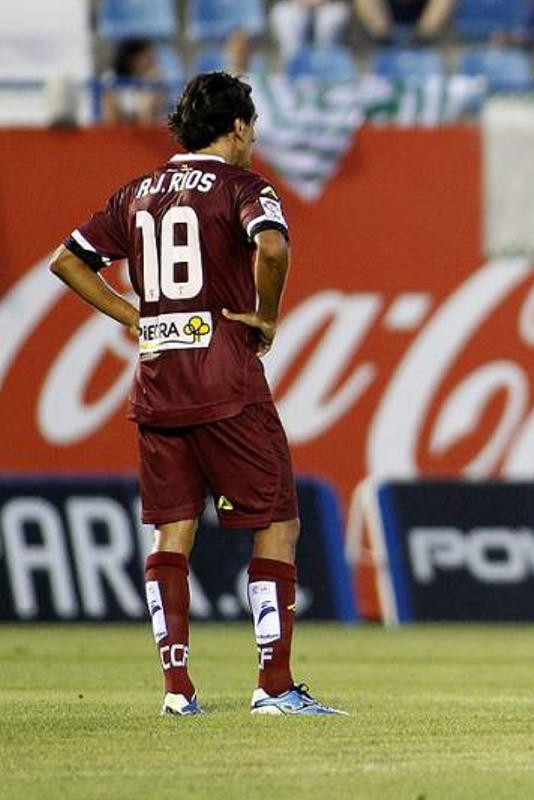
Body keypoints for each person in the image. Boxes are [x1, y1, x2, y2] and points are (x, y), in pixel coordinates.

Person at [47, 72, 344, 717]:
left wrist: (132, 316)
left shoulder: (136, 193)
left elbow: (67, 261)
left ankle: (177, 693)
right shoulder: (242, 186)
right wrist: (267, 316)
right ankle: (274, 686)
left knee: (170, 532)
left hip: (157, 380)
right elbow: (270, 246)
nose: (253, 139)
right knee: (277, 523)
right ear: (237, 127)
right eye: (252, 127)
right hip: (225, 379)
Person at [100, 39, 169, 126]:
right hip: (121, 129)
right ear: (132, 59)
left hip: (150, 130)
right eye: (145, 56)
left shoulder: (157, 77)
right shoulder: (111, 78)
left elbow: (150, 115)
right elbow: (110, 116)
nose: (151, 59)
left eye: (150, 55)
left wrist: (150, 82)